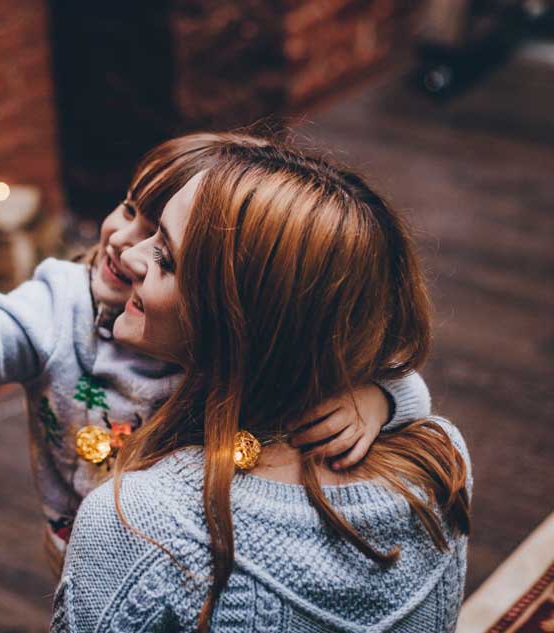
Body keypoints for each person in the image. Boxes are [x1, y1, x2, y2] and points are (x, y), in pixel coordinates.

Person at [0, 134, 431, 573]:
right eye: (129, 208)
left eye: (162, 243)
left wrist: (383, 397)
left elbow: (338, 374)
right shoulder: (56, 308)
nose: (126, 243)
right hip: (81, 551)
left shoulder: (228, 347)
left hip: (200, 561)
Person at [52, 140, 471, 631]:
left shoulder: (140, 525)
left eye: (165, 256)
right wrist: (388, 395)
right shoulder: (441, 462)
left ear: (237, 318)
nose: (131, 255)